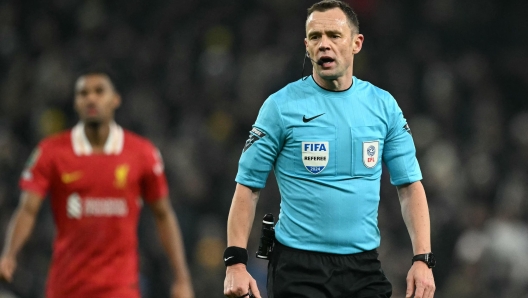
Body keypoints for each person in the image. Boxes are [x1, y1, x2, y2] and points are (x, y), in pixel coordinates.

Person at [223, 1, 435, 298]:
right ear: (306, 46)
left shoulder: (383, 106)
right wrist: (235, 263)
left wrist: (423, 259)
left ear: (356, 43)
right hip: (298, 267)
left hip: (363, 267)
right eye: (315, 36)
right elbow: (247, 188)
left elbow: (410, 187)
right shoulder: (280, 107)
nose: (324, 44)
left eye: (334, 36)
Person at [0, 70, 194, 298]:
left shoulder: (142, 153)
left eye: (99, 91)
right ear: (76, 102)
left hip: (120, 288)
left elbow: (163, 214)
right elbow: (28, 209)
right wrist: (9, 254)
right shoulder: (51, 152)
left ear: (115, 100)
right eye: (83, 93)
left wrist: (182, 278)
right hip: (66, 287)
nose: (91, 98)